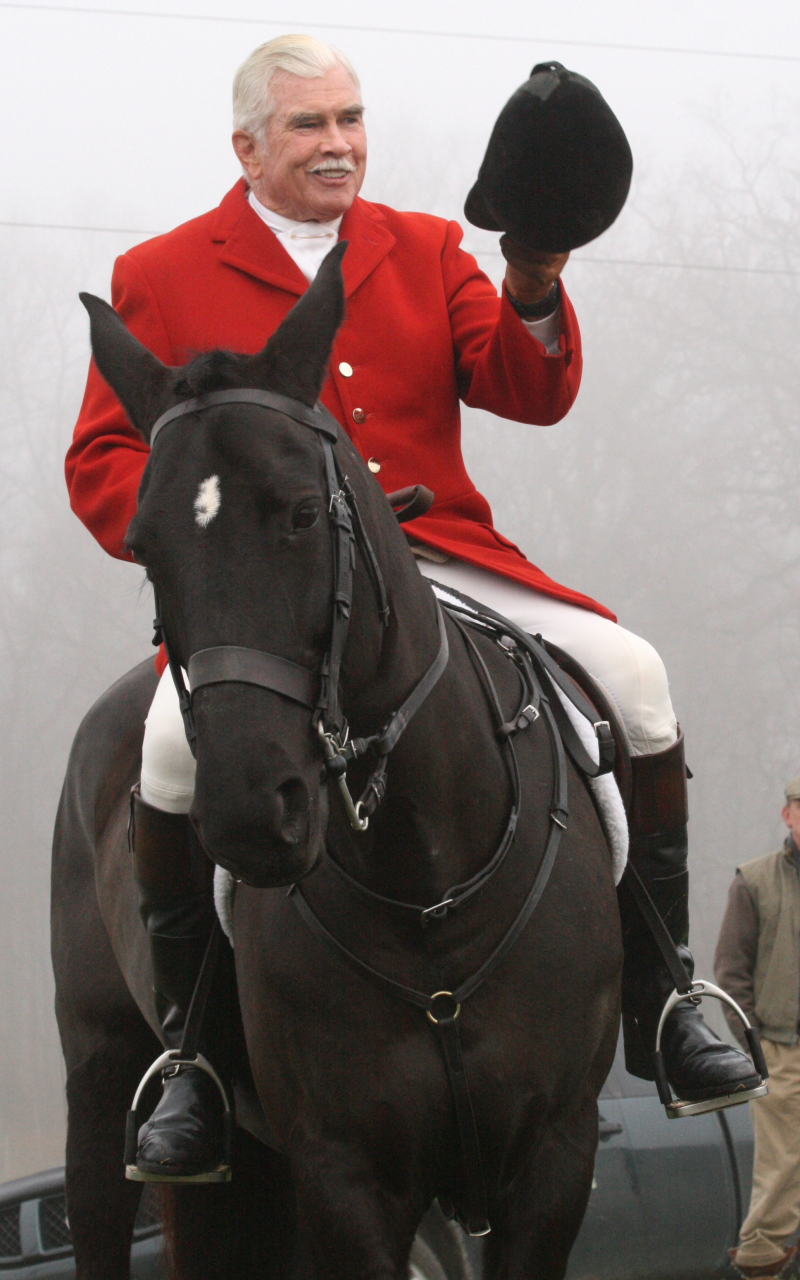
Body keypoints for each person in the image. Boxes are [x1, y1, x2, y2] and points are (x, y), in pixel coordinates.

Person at [66, 34, 758, 1180]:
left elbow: (526, 392)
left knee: (634, 678)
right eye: (307, 126)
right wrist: (203, 546)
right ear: (246, 145)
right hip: (272, 594)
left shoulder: (426, 247)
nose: (338, 144)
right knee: (170, 755)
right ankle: (189, 1055)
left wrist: (531, 281)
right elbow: (103, 455)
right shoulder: (160, 273)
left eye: (349, 119)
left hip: (435, 553)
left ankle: (665, 993)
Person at [715, 778, 800, 1280]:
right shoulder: (755, 880)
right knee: (782, 1176)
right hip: (783, 1050)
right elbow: (730, 974)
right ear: (788, 815)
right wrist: (757, 1048)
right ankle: (760, 1268)